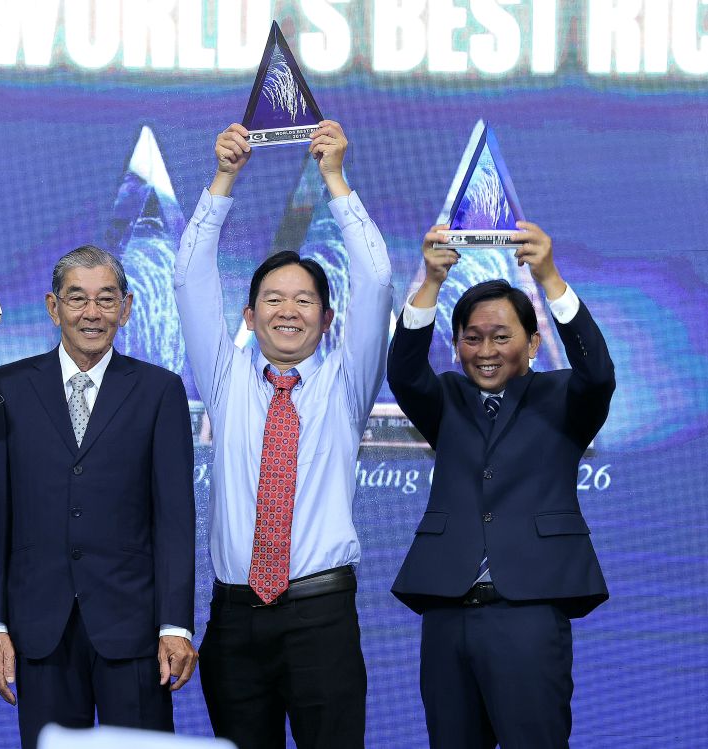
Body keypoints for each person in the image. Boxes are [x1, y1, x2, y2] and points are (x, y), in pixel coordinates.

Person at [174, 121, 394, 749]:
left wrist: (334, 179)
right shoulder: (226, 378)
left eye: (304, 301)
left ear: (327, 320)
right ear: (249, 316)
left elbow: (376, 280)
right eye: (272, 299)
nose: (288, 311)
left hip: (321, 617)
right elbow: (189, 277)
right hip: (234, 619)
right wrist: (223, 179)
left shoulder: (345, 386)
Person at [386, 223, 616, 748]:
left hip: (529, 611)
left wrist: (548, 276)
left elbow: (598, 373)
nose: (485, 350)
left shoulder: (563, 397)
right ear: (457, 344)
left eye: (501, 336)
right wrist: (430, 280)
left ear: (532, 342)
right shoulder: (445, 398)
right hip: (446, 613)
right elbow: (402, 371)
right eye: (472, 337)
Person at [0, 245, 196, 746]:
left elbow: (175, 519)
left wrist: (175, 624)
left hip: (133, 625)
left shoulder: (160, 390)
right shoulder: (6, 387)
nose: (91, 313)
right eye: (77, 299)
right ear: (54, 307)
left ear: (127, 306)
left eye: (106, 299)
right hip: (38, 626)